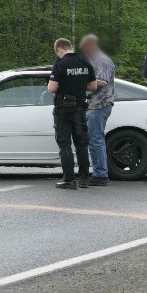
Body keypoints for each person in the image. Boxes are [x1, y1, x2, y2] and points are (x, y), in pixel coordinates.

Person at [47, 38, 99, 190]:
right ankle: (84, 179)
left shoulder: (60, 64)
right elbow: (93, 86)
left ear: (60, 50)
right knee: (81, 144)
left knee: (65, 145)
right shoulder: (85, 62)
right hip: (80, 107)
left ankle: (69, 180)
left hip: (63, 109)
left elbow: (51, 88)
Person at [80, 34, 115, 187]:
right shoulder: (95, 60)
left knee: (96, 140)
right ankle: (97, 172)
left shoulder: (103, 60)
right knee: (94, 140)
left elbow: (101, 82)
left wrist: (78, 83)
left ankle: (100, 174)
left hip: (100, 104)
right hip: (94, 104)